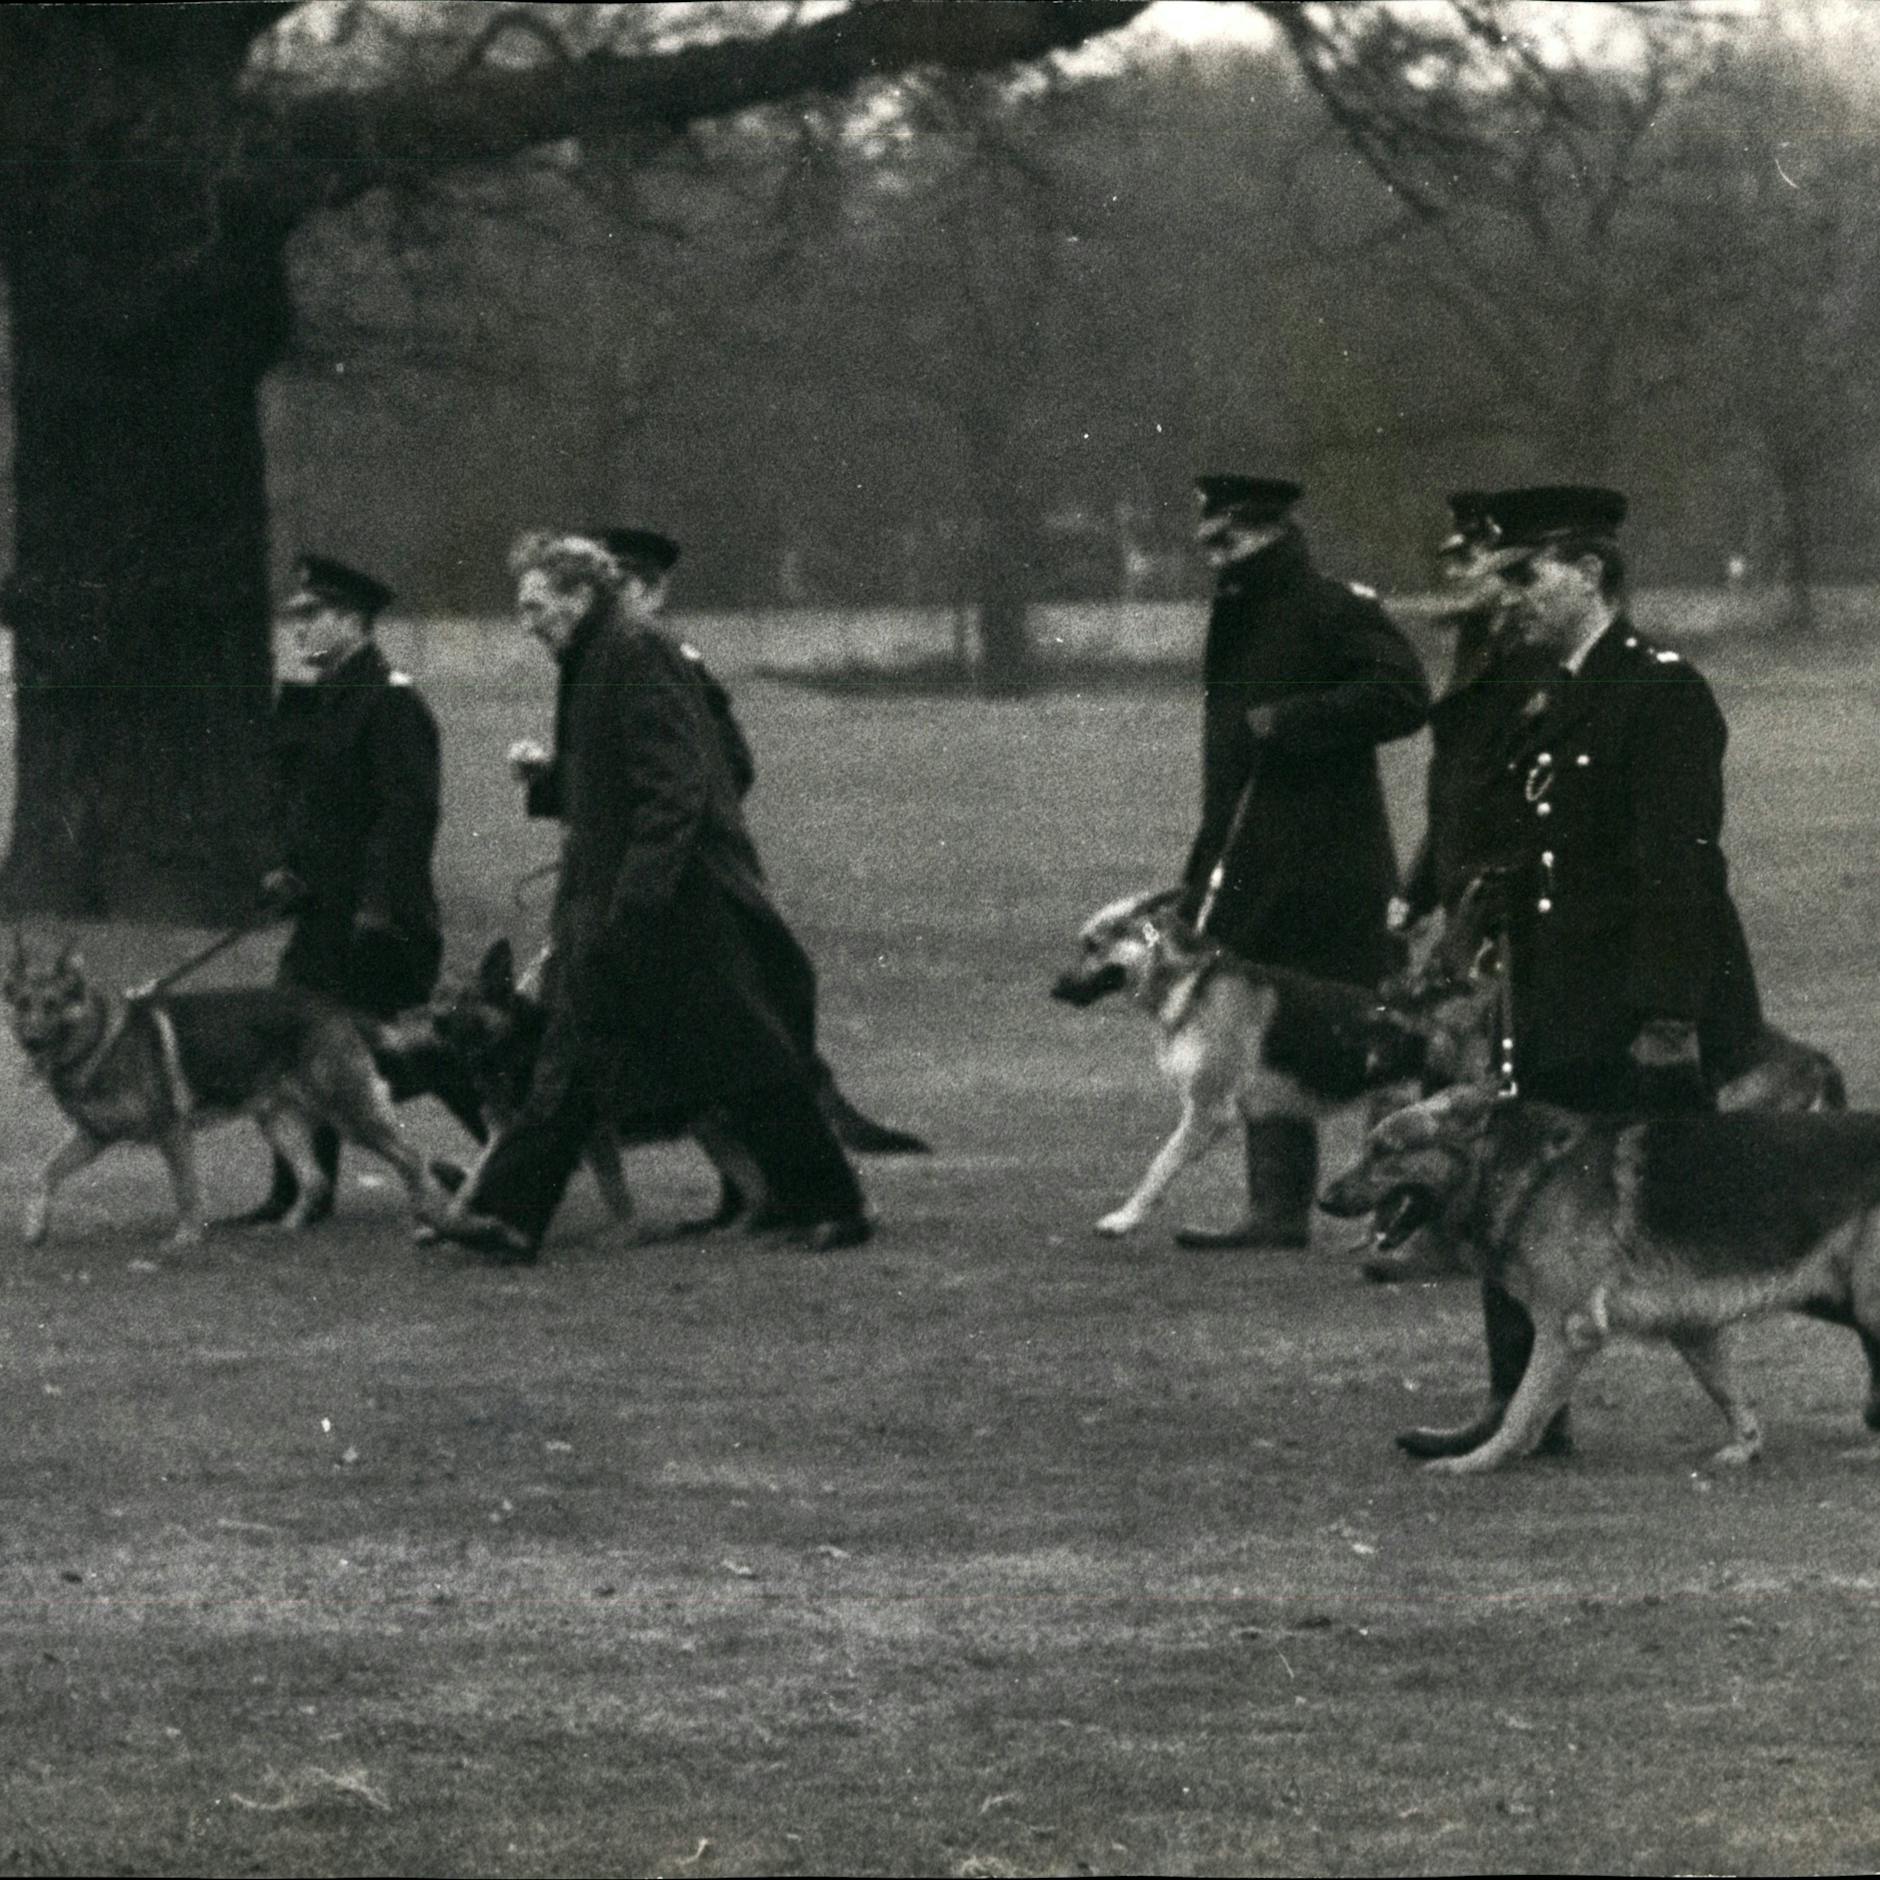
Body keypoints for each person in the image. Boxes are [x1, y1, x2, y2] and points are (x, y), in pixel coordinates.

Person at [1396, 484, 1765, 1461]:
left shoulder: (1659, 691)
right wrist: (1467, 926)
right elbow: (1531, 847)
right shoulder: (1548, 690)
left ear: (1590, 572)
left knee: (1720, 1219)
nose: (1505, 593)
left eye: (1526, 573)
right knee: (1508, 1191)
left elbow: (1675, 867)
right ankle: (1522, 1415)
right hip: (1554, 997)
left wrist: (1665, 1019)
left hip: (1637, 1004)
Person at [435, 529, 871, 1262]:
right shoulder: (596, 654)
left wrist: (633, 906)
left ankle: (832, 1204)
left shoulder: (633, 650)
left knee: (743, 1055)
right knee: (580, 1051)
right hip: (637, 899)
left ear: (580, 595)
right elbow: (611, 779)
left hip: (678, 904)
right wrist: (549, 786)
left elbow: (676, 789)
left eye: (536, 604)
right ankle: (506, 1219)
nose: (526, 621)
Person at [1173, 473, 1430, 1251]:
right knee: (1258, 1037)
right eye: (1210, 543)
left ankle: (1401, 1214)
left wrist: (1297, 719)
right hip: (1251, 868)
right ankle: (1275, 1212)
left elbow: (1403, 695)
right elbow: (1230, 765)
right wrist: (1204, 864)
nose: (1218, 558)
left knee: (1380, 1041)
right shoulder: (1237, 616)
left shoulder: (1334, 608)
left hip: (1333, 868)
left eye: (1230, 541)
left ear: (1273, 532)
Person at [237, 554, 481, 1226]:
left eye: (313, 616)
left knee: (415, 1052)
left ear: (353, 620)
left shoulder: (390, 701)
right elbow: (310, 807)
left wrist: (378, 906)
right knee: (304, 1039)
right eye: (298, 617)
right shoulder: (328, 698)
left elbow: (408, 815)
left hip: (377, 917)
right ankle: (298, 1193)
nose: (300, 629)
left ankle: (510, 1153)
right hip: (325, 912)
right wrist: (287, 870)